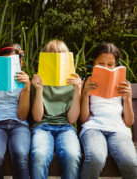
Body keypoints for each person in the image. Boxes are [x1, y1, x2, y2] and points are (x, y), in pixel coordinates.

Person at [79, 43, 137, 179]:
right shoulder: (86, 83)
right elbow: (83, 119)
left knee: (130, 162)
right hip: (93, 128)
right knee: (95, 158)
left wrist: (127, 98)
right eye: (101, 63)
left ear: (116, 65)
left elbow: (128, 122)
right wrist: (85, 94)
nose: (105, 67)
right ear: (94, 62)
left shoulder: (124, 84)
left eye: (110, 65)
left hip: (118, 129)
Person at [30, 40, 81, 179]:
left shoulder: (72, 83)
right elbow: (37, 118)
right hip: (42, 127)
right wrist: (39, 90)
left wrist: (77, 91)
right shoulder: (37, 82)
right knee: (39, 155)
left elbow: (72, 119)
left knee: (72, 155)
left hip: (66, 127)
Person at [0, 43, 31, 179]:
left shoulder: (24, 84)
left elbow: (22, 116)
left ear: (20, 63)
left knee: (20, 153)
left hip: (19, 124)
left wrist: (27, 88)